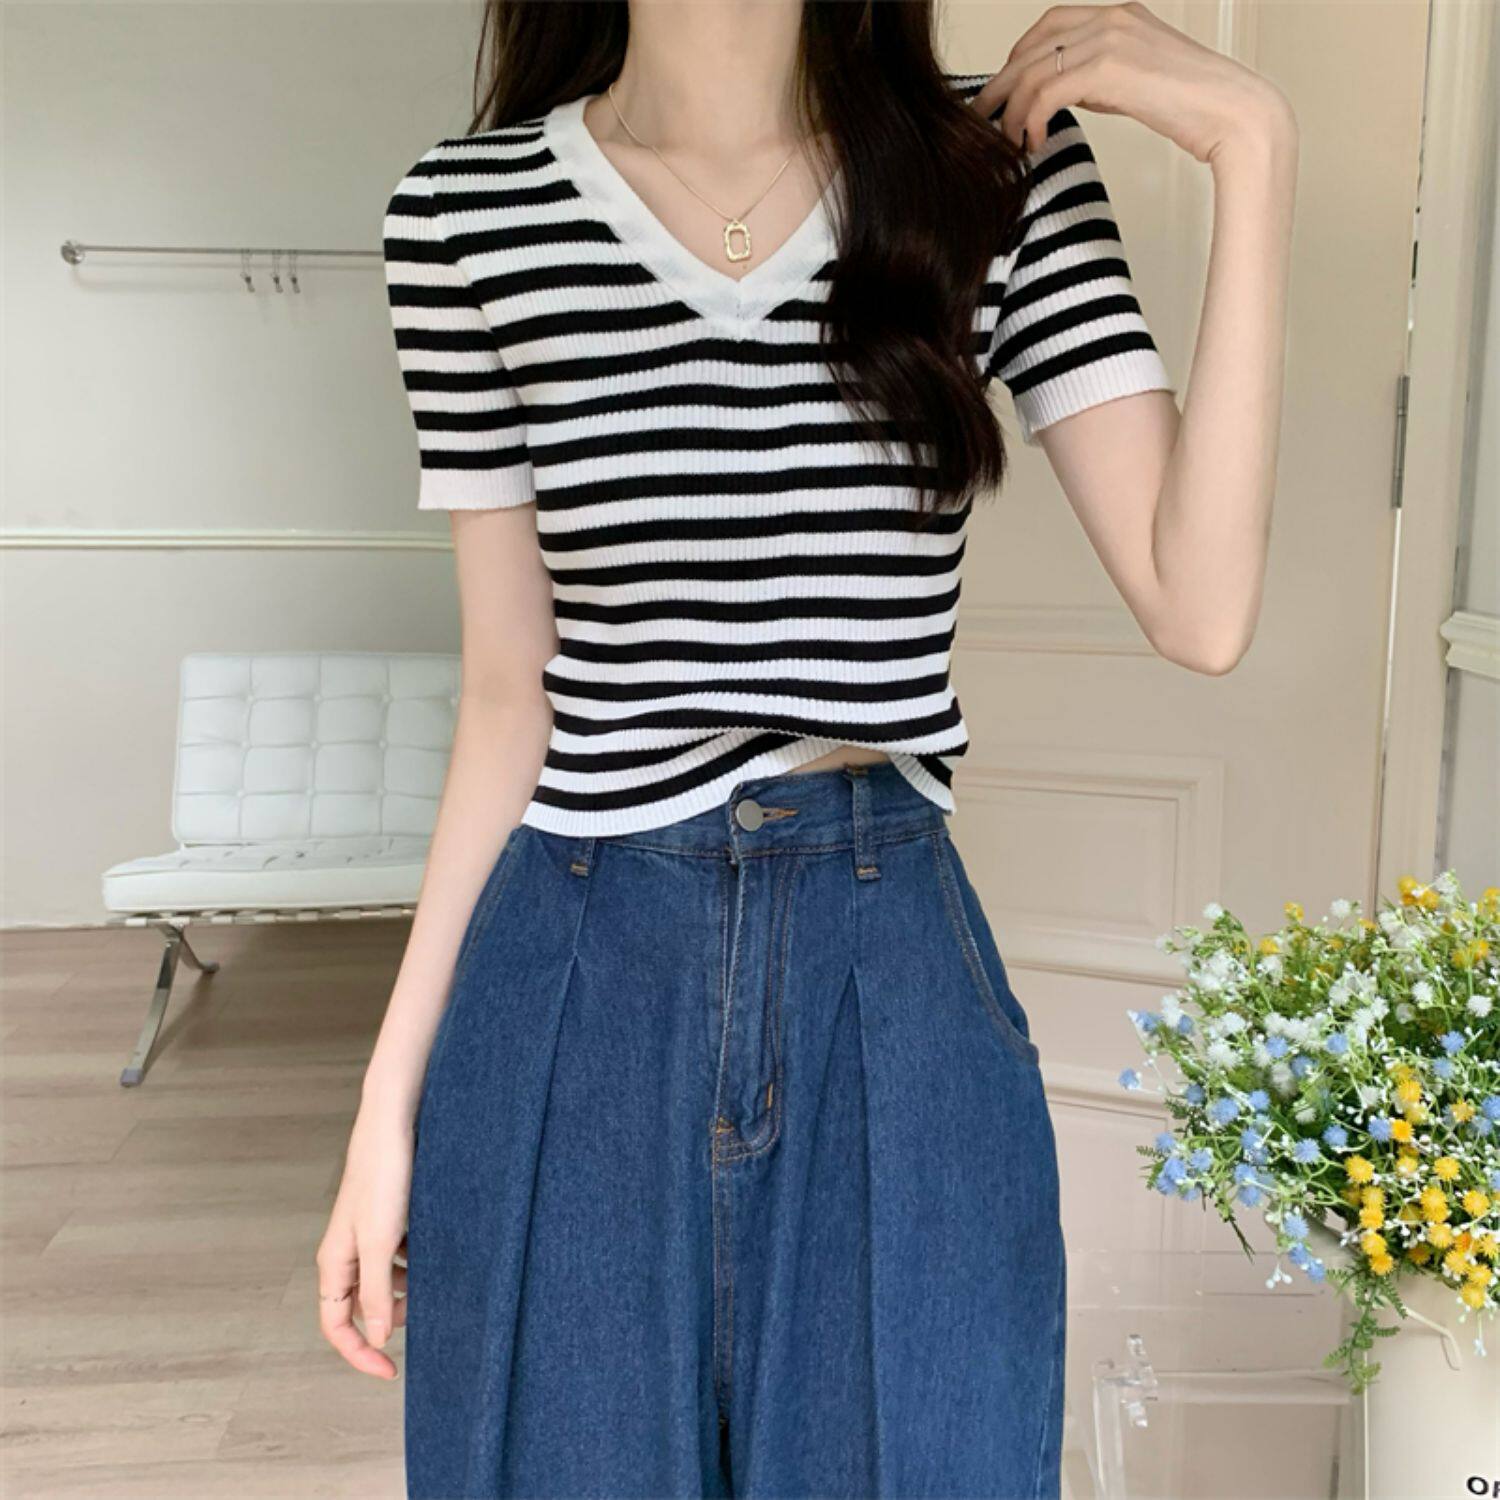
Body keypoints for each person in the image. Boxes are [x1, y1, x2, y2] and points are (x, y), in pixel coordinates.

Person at [318, 1, 1297, 1495]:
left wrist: (1254, 145)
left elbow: (1202, 604)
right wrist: (387, 1104)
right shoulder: (468, 214)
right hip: (577, 971)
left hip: (886, 970)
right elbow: (512, 698)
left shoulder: (990, 172)